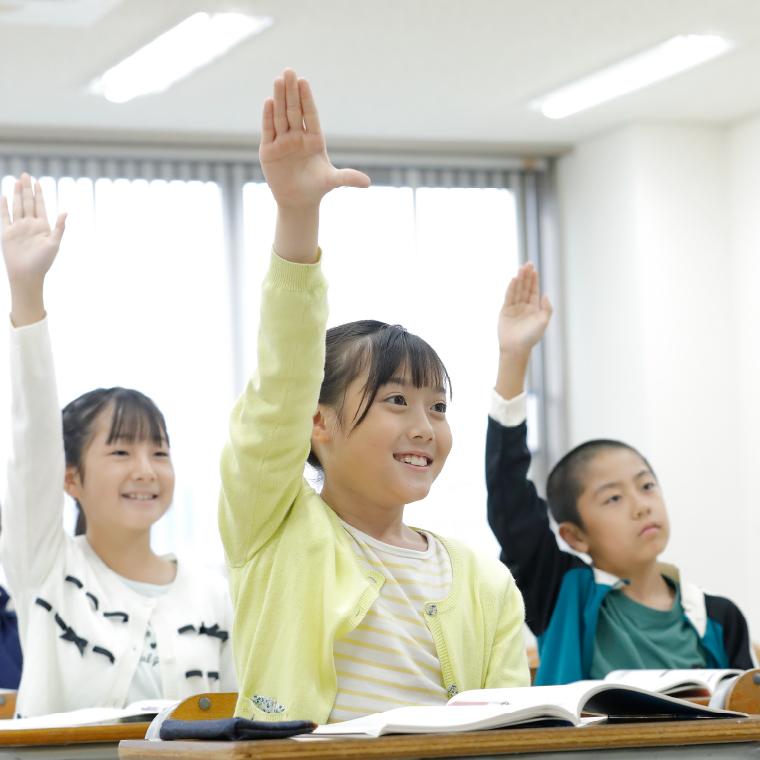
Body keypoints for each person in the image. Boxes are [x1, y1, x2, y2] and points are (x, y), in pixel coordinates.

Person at [219, 69, 529, 724]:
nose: (425, 426)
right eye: (395, 401)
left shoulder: (482, 579)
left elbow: (511, 730)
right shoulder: (275, 529)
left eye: (438, 407)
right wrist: (298, 216)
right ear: (318, 422)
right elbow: (281, 385)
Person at [0, 174, 236, 717]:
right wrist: (27, 295)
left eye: (159, 451)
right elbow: (30, 443)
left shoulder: (213, 592)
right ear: (70, 477)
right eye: (121, 452)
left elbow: (235, 727)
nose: (146, 470)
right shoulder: (47, 571)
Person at [486, 262, 756, 685]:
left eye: (647, 486)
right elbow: (509, 499)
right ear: (575, 536)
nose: (640, 505)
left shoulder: (720, 616)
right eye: (613, 498)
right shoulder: (562, 594)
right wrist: (514, 358)